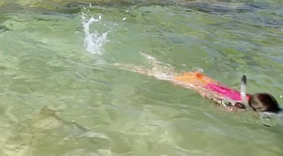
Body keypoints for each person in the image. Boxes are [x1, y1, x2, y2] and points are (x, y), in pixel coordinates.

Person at [115, 53, 281, 113]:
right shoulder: (238, 105)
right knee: (157, 75)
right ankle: (124, 65)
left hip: (202, 78)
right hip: (196, 83)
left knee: (165, 73)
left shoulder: (243, 97)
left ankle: (151, 59)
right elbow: (212, 98)